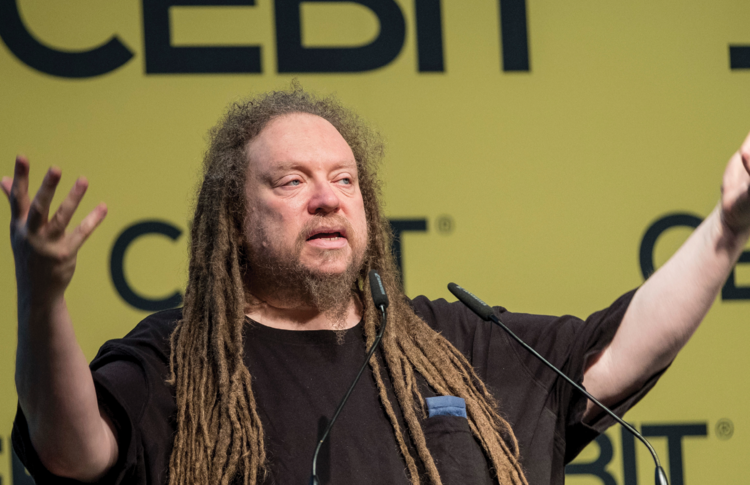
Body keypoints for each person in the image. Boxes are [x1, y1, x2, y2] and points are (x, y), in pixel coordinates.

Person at [3, 86, 750, 485]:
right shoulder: (183, 362)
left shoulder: (454, 345)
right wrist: (42, 295)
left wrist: (727, 226)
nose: (327, 198)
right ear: (232, 220)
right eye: (291, 182)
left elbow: (619, 351)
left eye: (344, 180)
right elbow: (73, 450)